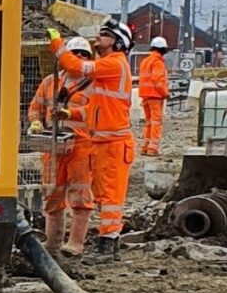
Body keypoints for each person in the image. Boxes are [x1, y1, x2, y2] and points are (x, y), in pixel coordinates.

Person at [76, 22, 137, 257]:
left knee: (111, 196)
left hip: (114, 143)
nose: (98, 38)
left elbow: (76, 66)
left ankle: (108, 245)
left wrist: (58, 46)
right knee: (103, 194)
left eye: (104, 35)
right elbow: (92, 109)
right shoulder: (108, 66)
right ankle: (107, 240)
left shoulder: (113, 64)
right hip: (103, 142)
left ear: (116, 41)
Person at [30, 37, 93, 253]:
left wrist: (69, 113)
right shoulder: (50, 82)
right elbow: (35, 107)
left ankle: (75, 243)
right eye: (75, 54)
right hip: (53, 144)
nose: (78, 58)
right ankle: (52, 242)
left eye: (82, 55)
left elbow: (96, 113)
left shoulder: (93, 84)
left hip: (81, 145)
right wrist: (36, 121)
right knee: (52, 194)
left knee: (80, 195)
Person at [137, 35, 172, 156]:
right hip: (155, 97)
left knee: (148, 122)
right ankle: (153, 149)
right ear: (163, 49)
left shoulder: (145, 61)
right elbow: (157, 80)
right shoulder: (158, 62)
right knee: (156, 123)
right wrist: (165, 93)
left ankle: (145, 147)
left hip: (145, 96)